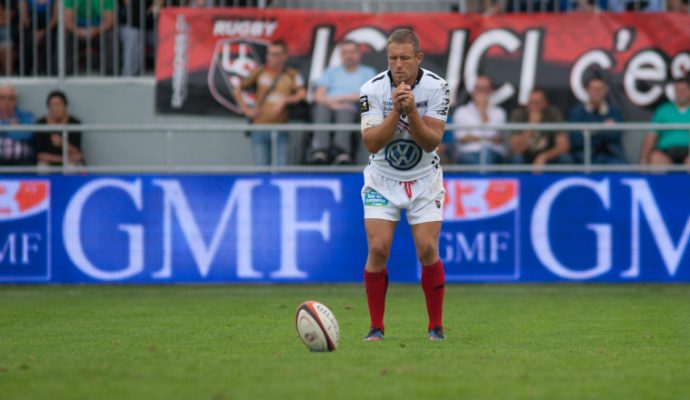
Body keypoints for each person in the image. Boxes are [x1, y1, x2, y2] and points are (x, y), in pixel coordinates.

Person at [359, 29, 450, 341]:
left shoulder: (438, 87)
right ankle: (376, 327)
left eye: (404, 58)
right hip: (382, 178)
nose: (398, 65)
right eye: (392, 58)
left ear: (418, 58)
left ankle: (435, 326)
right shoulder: (370, 90)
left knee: (427, 249)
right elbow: (371, 144)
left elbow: (431, 142)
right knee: (378, 248)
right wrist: (396, 111)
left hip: (424, 179)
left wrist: (412, 111)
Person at [233, 40, 307, 166]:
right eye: (269, 54)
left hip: (280, 126)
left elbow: (302, 94)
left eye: (276, 54)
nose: (271, 57)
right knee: (261, 168)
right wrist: (246, 110)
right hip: (259, 125)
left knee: (281, 167)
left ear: (285, 56)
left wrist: (285, 100)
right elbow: (237, 89)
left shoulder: (291, 74)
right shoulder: (259, 71)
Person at [307, 39, 376, 165]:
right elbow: (318, 95)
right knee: (322, 109)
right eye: (345, 52)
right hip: (331, 105)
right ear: (340, 55)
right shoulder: (331, 72)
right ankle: (320, 151)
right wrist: (333, 104)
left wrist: (342, 99)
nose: (349, 55)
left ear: (359, 54)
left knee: (345, 110)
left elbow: (369, 95)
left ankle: (342, 152)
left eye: (352, 52)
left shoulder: (368, 72)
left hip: (355, 107)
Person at [568, 75, 627, 164]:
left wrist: (590, 131)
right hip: (584, 155)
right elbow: (577, 139)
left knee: (625, 168)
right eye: (593, 89)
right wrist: (604, 128)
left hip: (612, 154)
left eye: (600, 89)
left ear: (605, 91)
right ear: (587, 90)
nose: (597, 92)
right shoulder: (577, 112)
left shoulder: (614, 112)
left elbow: (615, 135)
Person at [449, 75, 506, 164]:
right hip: (467, 152)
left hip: (492, 152)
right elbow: (461, 138)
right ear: (473, 91)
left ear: (490, 91)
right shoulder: (461, 111)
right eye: (478, 88)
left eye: (484, 89)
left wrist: (482, 112)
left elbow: (498, 137)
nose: (480, 92)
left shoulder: (499, 112)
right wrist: (488, 138)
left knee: (486, 154)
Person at [509, 89, 571, 167]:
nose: (534, 106)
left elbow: (563, 146)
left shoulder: (553, 114)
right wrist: (531, 125)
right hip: (526, 155)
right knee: (517, 159)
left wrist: (544, 156)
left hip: (548, 155)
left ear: (545, 103)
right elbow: (517, 149)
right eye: (531, 102)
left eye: (538, 102)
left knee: (565, 158)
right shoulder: (519, 114)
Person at [640, 76, 690, 166]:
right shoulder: (663, 110)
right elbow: (651, 136)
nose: (681, 93)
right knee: (656, 159)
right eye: (677, 90)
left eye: (684, 90)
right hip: (666, 151)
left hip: (688, 151)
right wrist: (643, 159)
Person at [35, 90, 84, 168]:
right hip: (51, 162)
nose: (56, 108)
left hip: (70, 162)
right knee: (42, 168)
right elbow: (40, 155)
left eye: (59, 105)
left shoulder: (75, 123)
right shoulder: (40, 124)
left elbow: (78, 154)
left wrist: (62, 143)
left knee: (71, 168)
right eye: (52, 105)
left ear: (65, 106)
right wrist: (62, 159)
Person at [64, 0, 115, 75]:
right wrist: (78, 31)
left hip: (99, 32)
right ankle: (66, 74)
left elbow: (109, 21)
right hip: (77, 32)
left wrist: (95, 30)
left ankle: (110, 75)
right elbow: (67, 22)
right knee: (65, 37)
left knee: (111, 37)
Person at [19, 0, 58, 75]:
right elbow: (24, 18)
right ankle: (25, 72)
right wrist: (34, 32)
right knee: (27, 41)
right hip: (31, 28)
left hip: (49, 28)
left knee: (48, 42)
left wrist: (43, 32)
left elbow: (55, 19)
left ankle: (47, 72)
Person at [0, 85, 35, 165]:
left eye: (10, 98)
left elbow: (27, 135)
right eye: (2, 98)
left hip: (22, 161)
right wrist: (13, 129)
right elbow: (20, 133)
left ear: (15, 101)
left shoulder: (26, 116)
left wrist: (3, 129)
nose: (6, 101)